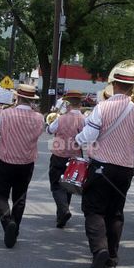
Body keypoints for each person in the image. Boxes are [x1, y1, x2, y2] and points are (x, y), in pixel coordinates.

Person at [77, 65, 134, 268]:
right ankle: (111, 258)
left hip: (101, 166)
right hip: (125, 170)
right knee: (116, 212)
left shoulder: (102, 107)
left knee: (93, 209)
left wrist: (77, 139)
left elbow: (89, 136)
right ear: (132, 88)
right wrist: (129, 157)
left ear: (114, 85)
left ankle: (99, 249)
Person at [0, 82, 45, 247]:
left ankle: (8, 222)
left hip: (5, 160)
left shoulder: (6, 113)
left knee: (0, 195)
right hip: (26, 163)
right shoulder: (39, 118)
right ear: (32, 100)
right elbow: (39, 133)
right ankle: (14, 227)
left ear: (18, 97)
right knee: (19, 198)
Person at [47, 91, 86, 227]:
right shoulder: (84, 119)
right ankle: (61, 215)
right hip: (75, 157)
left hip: (59, 155)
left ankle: (63, 210)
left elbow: (49, 130)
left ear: (68, 103)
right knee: (68, 185)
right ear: (80, 104)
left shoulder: (61, 118)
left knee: (56, 185)